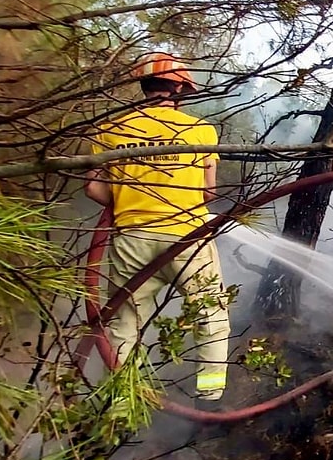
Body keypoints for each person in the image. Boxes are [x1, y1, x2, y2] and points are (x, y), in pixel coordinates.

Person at [84, 53, 230, 407]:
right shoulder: (200, 131)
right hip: (186, 239)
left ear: (144, 86)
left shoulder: (110, 128)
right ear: (179, 87)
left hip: (131, 239)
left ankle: (118, 406)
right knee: (210, 313)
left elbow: (93, 189)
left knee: (124, 325)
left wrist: (128, 197)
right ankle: (209, 395)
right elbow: (208, 193)